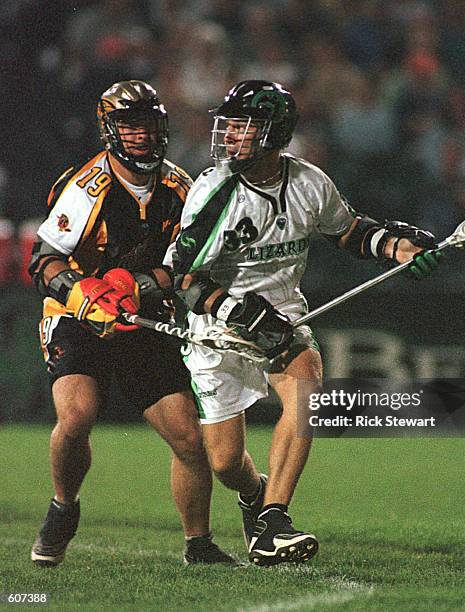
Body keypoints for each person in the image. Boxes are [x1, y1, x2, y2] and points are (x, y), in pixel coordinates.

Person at [163, 80, 443, 566]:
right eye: (227, 126)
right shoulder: (213, 193)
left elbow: (350, 230)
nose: (229, 136)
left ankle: (273, 522)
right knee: (226, 462)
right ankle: (254, 494)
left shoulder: (309, 182)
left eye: (241, 127)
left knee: (308, 385)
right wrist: (237, 311)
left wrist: (398, 248)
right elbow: (181, 279)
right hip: (218, 329)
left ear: (272, 133)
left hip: (285, 319)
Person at [28, 80, 235, 567]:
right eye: (129, 124)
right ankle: (63, 509)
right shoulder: (85, 187)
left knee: (188, 437)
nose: (140, 135)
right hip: (78, 318)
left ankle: (198, 545)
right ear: (109, 129)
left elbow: (186, 267)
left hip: (142, 319)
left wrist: (136, 287)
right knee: (76, 417)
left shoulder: (181, 188)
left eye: (148, 124)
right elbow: (43, 259)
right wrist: (81, 293)